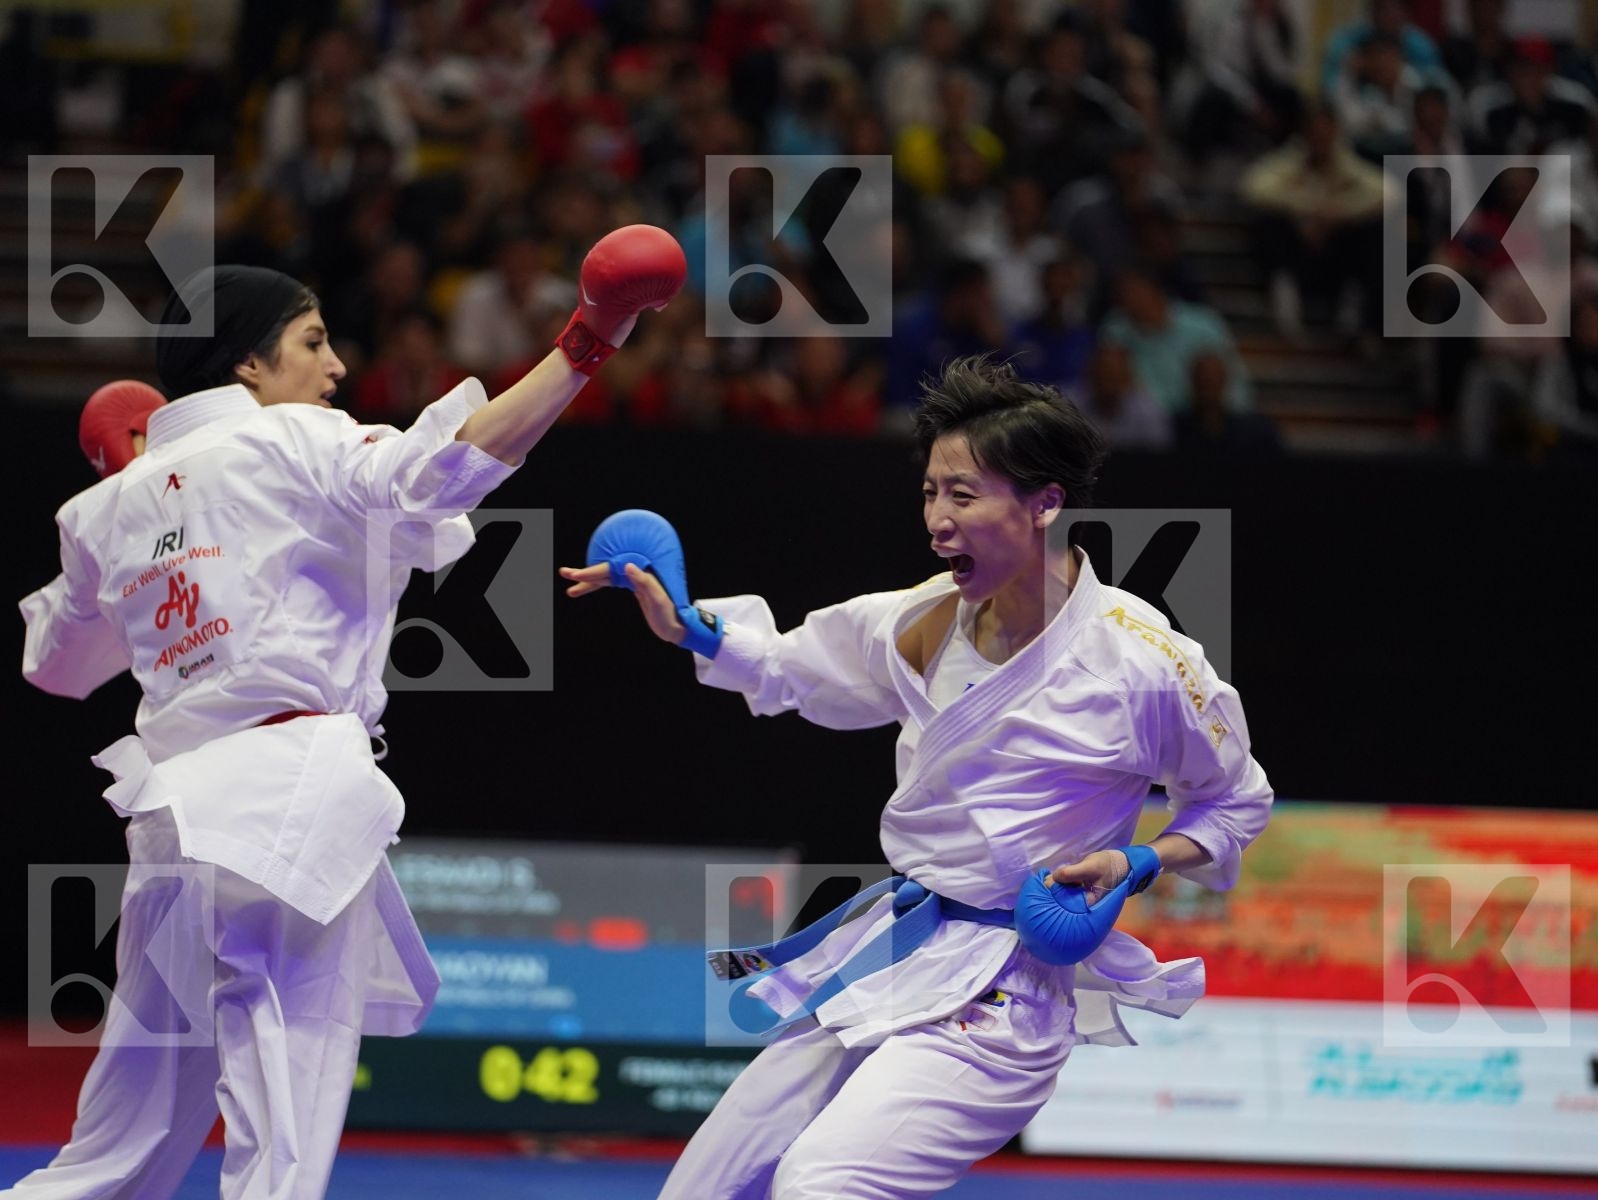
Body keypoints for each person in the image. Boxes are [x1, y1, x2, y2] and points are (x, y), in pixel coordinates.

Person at [13, 228, 685, 1199]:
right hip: (285, 801)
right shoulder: (298, 438)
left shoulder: (102, 508)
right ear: (247, 362)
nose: (336, 365)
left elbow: (59, 669)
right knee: (283, 1130)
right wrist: (590, 337)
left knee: (120, 1145)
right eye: (313, 341)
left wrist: (137, 508)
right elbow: (450, 464)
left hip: (172, 823)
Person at [560, 356, 1273, 1198]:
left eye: (963, 495)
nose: (937, 520)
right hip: (899, 949)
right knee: (704, 1189)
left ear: (1045, 504)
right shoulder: (922, 621)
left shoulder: (1144, 661)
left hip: (1008, 993)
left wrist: (1139, 860)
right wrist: (689, 628)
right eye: (931, 492)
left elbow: (1234, 804)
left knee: (821, 1184)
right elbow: (790, 666)